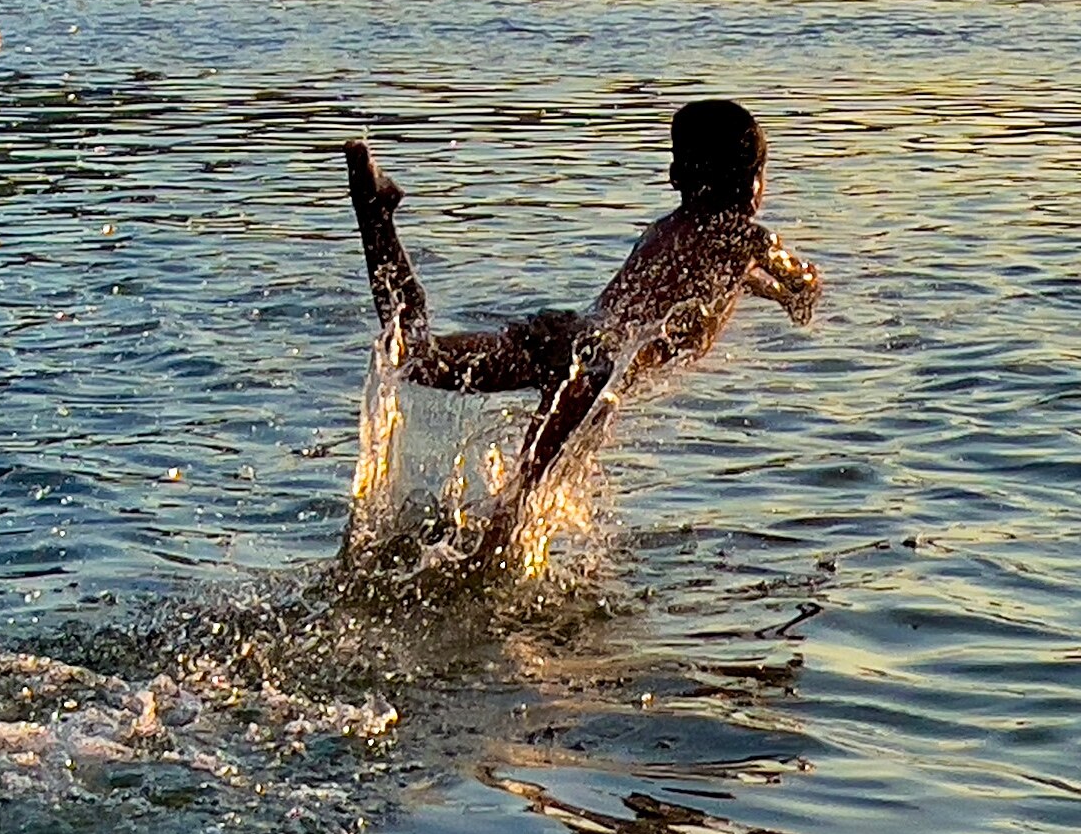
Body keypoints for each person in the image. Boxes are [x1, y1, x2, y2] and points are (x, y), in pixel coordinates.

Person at [343, 101, 819, 565]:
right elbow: (797, 280)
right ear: (753, 181)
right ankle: (475, 597)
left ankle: (377, 218)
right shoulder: (749, 238)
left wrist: (767, 290)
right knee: (516, 518)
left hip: (568, 339)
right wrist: (801, 289)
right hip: (596, 369)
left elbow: (716, 277)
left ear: (678, 176)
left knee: (415, 358)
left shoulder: (667, 230)